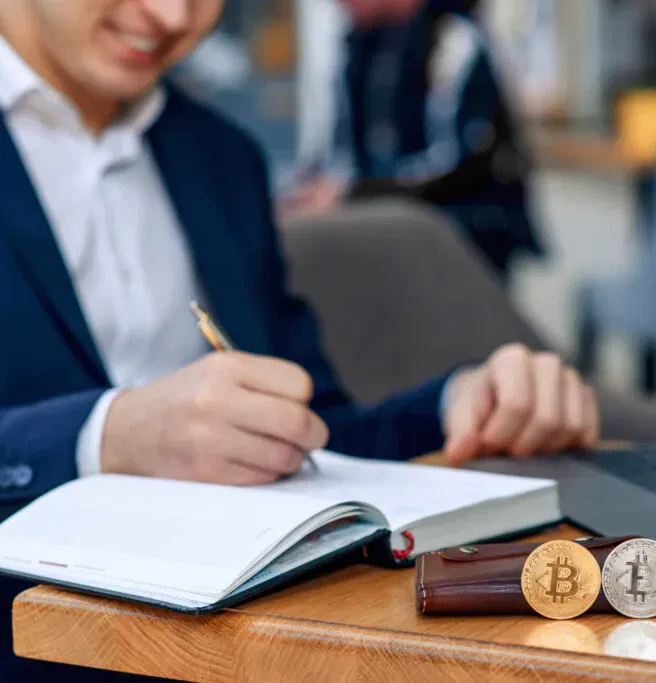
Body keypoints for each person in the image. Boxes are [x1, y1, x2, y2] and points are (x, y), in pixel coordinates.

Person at [0, 1, 597, 680]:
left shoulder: (222, 161)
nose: (170, 15)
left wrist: (459, 404)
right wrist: (102, 437)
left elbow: (312, 436)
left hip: (246, 646)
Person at [289, 0, 545, 284]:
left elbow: (453, 164)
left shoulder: (452, 41)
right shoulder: (359, 46)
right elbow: (341, 148)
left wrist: (354, 192)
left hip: (464, 238)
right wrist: (317, 189)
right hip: (387, 231)